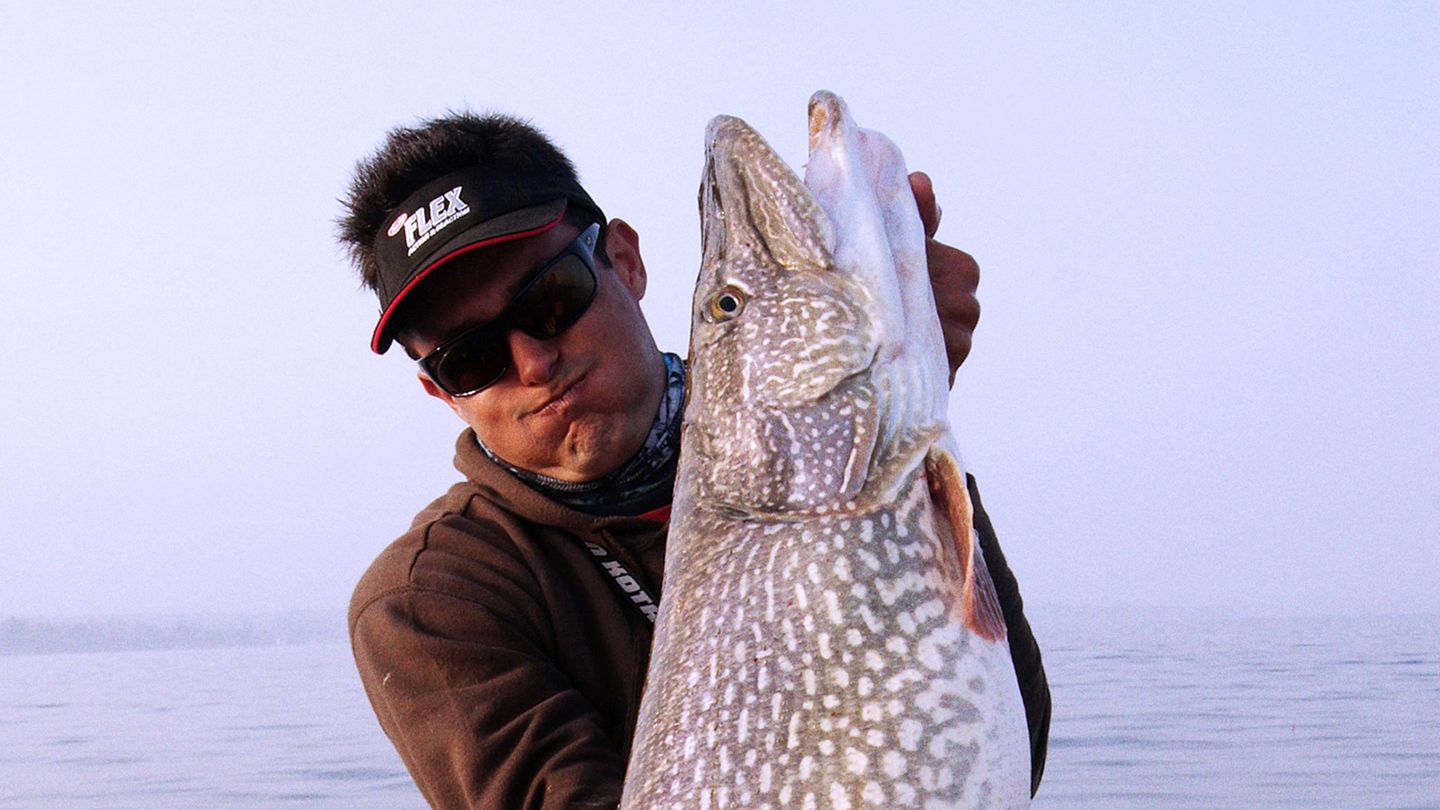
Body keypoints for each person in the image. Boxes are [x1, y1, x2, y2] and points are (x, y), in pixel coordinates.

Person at [338, 111, 1050, 809]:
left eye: (551, 299)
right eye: (473, 356)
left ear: (624, 261)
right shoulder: (430, 599)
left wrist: (914, 458)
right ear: (441, 391)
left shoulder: (816, 463)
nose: (532, 361)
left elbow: (1001, 741)